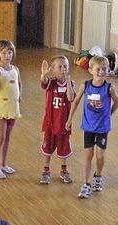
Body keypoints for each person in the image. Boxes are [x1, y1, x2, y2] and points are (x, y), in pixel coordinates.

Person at [65, 55, 118, 199]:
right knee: (88, 155)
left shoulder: (109, 87)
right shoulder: (86, 85)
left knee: (100, 155)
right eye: (98, 69)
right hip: (88, 126)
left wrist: (109, 115)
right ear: (91, 70)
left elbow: (117, 102)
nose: (101, 72)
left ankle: (98, 176)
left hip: (102, 127)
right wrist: (69, 119)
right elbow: (76, 102)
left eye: (104, 69)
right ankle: (86, 183)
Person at [0, 40, 22, 179]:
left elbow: (19, 84)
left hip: (12, 109)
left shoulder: (15, 69)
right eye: (4, 52)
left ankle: (3, 164)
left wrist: (20, 97)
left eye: (9, 52)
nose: (7, 55)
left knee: (7, 137)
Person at [39, 55, 75, 184]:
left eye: (65, 66)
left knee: (64, 147)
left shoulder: (70, 84)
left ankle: (64, 170)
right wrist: (44, 74)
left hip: (64, 123)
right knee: (48, 147)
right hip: (50, 122)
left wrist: (69, 82)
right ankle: (46, 170)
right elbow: (44, 81)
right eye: (60, 67)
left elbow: (71, 98)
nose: (63, 69)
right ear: (53, 70)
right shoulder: (51, 83)